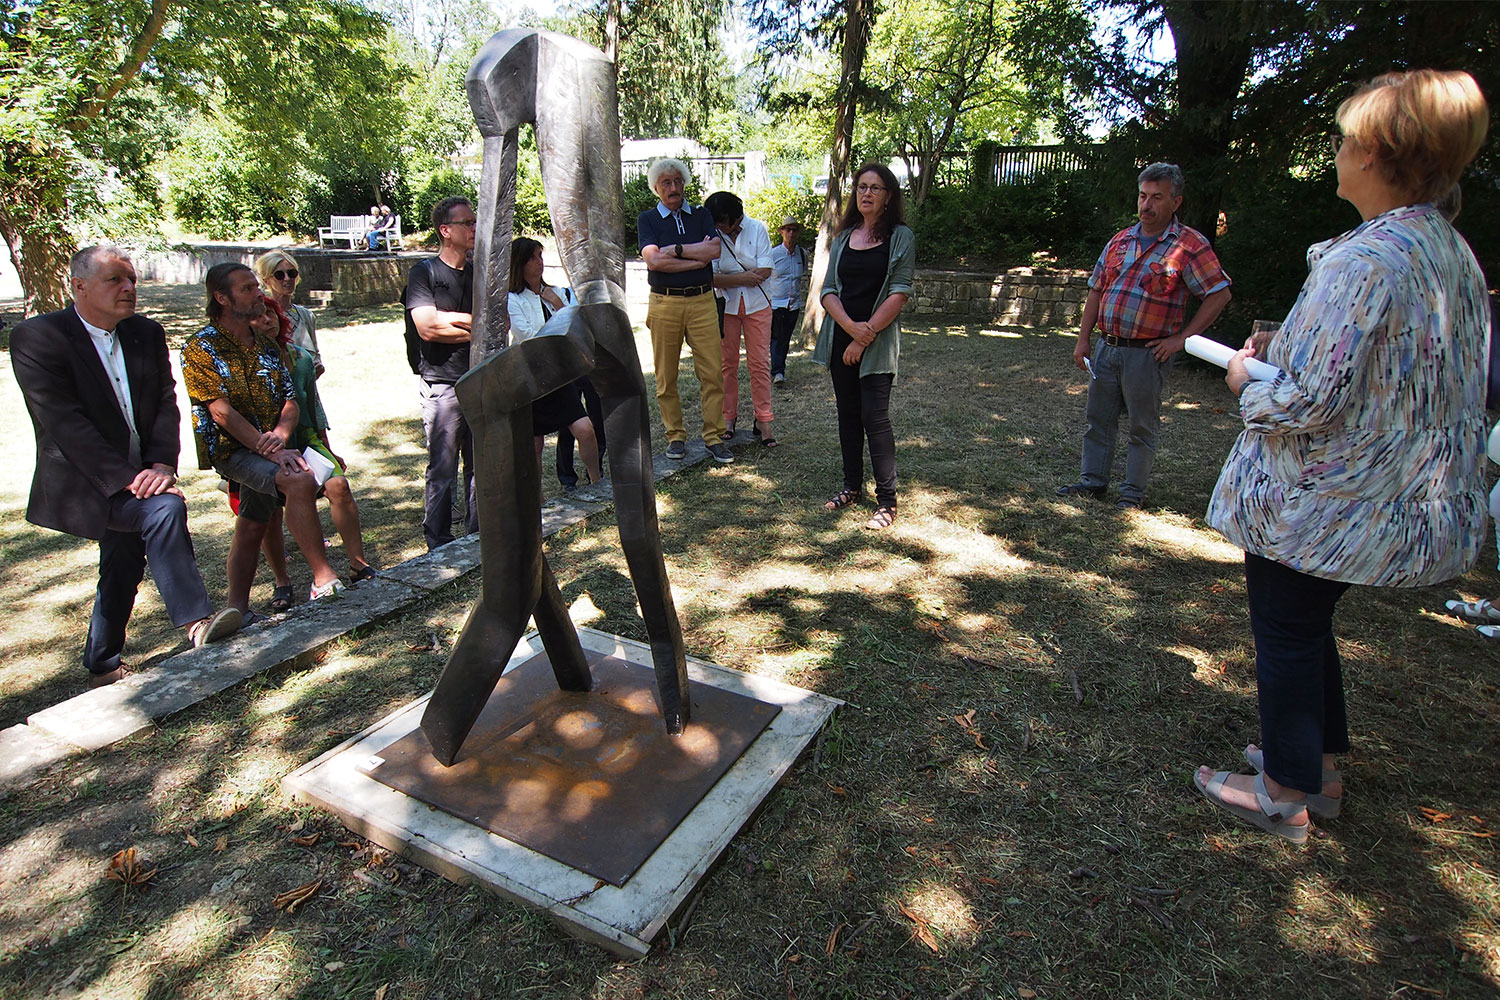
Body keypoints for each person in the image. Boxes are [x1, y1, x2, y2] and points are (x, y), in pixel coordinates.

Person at [1195, 69, 1490, 843]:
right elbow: (1379, 373)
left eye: (1344, 138)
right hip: (1373, 494)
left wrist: (1243, 378)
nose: (1335, 151)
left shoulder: (1369, 259)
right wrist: (1280, 349)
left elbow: (1310, 400)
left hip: (1326, 495)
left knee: (1287, 628)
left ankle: (1285, 792)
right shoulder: (1443, 248)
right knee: (1307, 622)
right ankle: (1316, 766)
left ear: (1381, 152)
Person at [11, 246, 241, 687]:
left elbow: (163, 403)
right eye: (115, 280)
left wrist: (160, 464)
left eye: (131, 279)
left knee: (123, 560)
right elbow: (64, 423)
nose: (129, 288)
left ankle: (101, 662)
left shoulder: (146, 333)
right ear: (78, 287)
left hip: (144, 471)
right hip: (88, 483)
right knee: (163, 511)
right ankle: (197, 624)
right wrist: (133, 479)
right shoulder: (38, 338)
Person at [1057, 162, 1232, 510]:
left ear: (1175, 202)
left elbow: (1220, 293)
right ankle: (1093, 483)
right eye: (1142, 196)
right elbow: (1096, 290)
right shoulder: (1120, 240)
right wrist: (1083, 339)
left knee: (1142, 427)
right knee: (1099, 421)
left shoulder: (1190, 245)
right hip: (1108, 347)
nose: (1146, 205)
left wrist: (1181, 339)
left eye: (1156, 198)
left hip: (1147, 354)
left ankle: (1131, 493)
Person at [182, 263, 347, 612]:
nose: (259, 294)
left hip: (273, 446)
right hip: (234, 449)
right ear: (222, 298)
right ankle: (323, 579)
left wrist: (280, 436)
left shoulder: (267, 346)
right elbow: (220, 412)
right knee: (299, 482)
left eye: (257, 286)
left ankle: (236, 610)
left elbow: (290, 401)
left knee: (252, 524)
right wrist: (268, 448)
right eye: (247, 289)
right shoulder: (200, 348)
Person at [245, 296, 375, 610]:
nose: (268, 320)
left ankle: (358, 563)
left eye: (272, 314)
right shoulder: (246, 363)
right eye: (259, 316)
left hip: (304, 439)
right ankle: (282, 581)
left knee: (339, 485)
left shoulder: (300, 358)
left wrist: (328, 450)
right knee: (271, 512)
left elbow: (314, 409)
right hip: (263, 446)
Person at [812, 163, 915, 531]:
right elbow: (828, 291)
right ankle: (851, 487)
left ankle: (887, 501)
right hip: (842, 338)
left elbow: (899, 291)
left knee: (875, 416)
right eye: (861, 187)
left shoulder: (900, 237)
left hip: (877, 341)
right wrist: (850, 331)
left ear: (889, 196)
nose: (866, 193)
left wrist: (864, 335)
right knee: (848, 415)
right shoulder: (843, 238)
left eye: (875, 188)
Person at [636, 157, 732, 463]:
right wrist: (695, 256)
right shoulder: (648, 219)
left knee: (712, 372)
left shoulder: (701, 215)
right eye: (667, 183)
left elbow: (714, 250)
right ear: (656, 188)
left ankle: (714, 437)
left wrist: (675, 250)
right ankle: (675, 436)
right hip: (665, 302)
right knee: (666, 376)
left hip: (703, 301)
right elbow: (654, 261)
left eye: (678, 181)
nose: (674, 188)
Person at [405, 196, 479, 550]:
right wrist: (472, 323)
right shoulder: (425, 273)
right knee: (443, 468)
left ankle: (477, 535)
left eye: (475, 222)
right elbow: (427, 327)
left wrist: (450, 320)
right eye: (467, 223)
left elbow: (500, 322)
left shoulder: (480, 272)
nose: (474, 228)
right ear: (445, 230)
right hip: (443, 383)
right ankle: (438, 543)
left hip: (480, 380)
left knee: (480, 465)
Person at [507, 237, 604, 484]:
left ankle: (596, 480)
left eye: (540, 256)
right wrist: (557, 328)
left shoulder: (558, 292)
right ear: (520, 263)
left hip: (560, 375)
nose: (539, 262)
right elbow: (527, 337)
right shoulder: (513, 300)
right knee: (535, 443)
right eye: (532, 257)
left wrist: (557, 303)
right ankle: (537, 499)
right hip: (531, 377)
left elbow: (574, 325)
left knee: (585, 429)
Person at [705, 190, 777, 447]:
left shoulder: (757, 229)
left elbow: (765, 270)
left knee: (759, 364)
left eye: (726, 221)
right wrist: (744, 278)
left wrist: (731, 278)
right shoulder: (711, 235)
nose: (722, 227)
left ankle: (764, 421)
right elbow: (711, 277)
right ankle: (728, 418)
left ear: (737, 218)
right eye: (718, 223)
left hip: (759, 305)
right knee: (727, 365)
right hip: (727, 308)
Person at [253, 249, 322, 375]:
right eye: (279, 275)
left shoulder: (306, 315)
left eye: (292, 273)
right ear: (266, 280)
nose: (287, 279)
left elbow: (315, 355)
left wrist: (317, 368)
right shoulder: (259, 316)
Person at [768, 215, 808, 386]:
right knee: (776, 337)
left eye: (794, 230)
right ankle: (777, 372)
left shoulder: (802, 254)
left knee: (785, 338)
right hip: (776, 303)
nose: (791, 233)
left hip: (794, 304)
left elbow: (801, 275)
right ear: (781, 231)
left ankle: (778, 369)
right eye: (788, 230)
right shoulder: (773, 254)